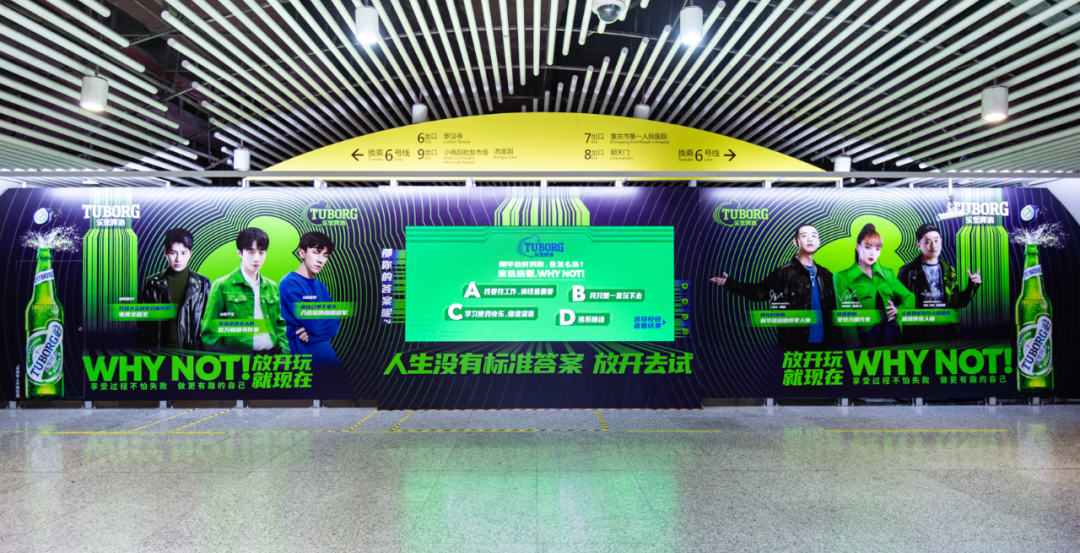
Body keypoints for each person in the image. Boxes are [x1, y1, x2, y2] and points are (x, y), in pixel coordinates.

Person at [711, 224, 840, 349]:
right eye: (804, 235)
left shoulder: (825, 274)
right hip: (797, 342)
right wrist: (730, 284)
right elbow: (761, 292)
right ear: (796, 243)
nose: (810, 239)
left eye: (814, 236)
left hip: (824, 342)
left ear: (818, 242)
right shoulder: (784, 272)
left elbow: (839, 300)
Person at [201, 227, 289, 355]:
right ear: (239, 253)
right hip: (239, 359)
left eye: (262, 252)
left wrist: (284, 354)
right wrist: (226, 362)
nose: (257, 259)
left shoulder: (271, 286)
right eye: (251, 252)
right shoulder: (221, 286)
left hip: (271, 357)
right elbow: (211, 332)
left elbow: (279, 324)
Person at [833, 223, 916, 348]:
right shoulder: (842, 277)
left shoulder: (887, 273)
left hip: (893, 335)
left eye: (878, 249)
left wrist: (899, 311)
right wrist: (855, 351)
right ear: (857, 247)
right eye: (868, 247)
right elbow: (847, 321)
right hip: (866, 339)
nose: (873, 254)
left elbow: (910, 297)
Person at [898, 222, 981, 342]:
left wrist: (972, 286)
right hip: (919, 336)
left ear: (941, 242)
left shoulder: (949, 270)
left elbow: (956, 303)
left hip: (946, 335)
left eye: (936, 240)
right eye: (928, 242)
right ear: (918, 246)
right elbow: (898, 304)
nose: (933, 245)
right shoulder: (907, 271)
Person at [137, 228, 210, 350]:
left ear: (190, 253)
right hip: (159, 353)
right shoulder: (153, 283)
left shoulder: (202, 283)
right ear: (165, 252)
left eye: (183, 253)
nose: (178, 259)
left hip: (191, 353)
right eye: (173, 253)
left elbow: (210, 321)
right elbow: (142, 322)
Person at [279, 232, 341, 367]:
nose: (321, 260)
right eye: (316, 252)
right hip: (303, 362)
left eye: (325, 255)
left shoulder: (321, 286)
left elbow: (336, 322)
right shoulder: (290, 283)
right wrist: (327, 316)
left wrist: (312, 336)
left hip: (329, 359)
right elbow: (314, 324)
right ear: (302, 253)